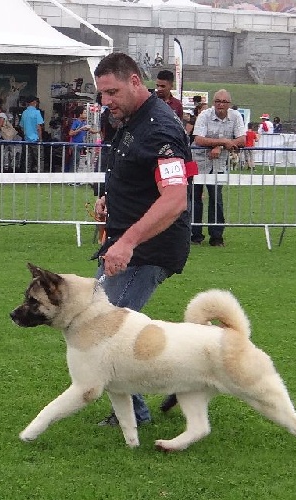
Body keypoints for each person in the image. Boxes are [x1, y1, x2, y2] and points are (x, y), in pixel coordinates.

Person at [91, 52, 194, 426]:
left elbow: (174, 198)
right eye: (102, 94)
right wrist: (110, 200)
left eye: (113, 92)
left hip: (150, 247)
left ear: (136, 81)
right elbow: (135, 175)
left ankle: (133, 413)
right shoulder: (130, 119)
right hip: (127, 240)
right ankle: (187, 375)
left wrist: (128, 241)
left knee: (108, 330)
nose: (107, 102)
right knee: (106, 325)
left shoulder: (161, 129)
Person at [190, 88, 246, 247]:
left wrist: (220, 147)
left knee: (216, 199)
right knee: (195, 199)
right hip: (198, 161)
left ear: (229, 104)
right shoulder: (204, 115)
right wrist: (223, 143)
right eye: (217, 101)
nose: (220, 104)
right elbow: (199, 139)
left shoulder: (235, 117)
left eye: (224, 102)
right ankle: (195, 236)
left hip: (219, 163)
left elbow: (242, 139)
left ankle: (216, 237)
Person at [19, 96, 44, 173]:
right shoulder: (37, 112)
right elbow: (39, 127)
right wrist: (40, 138)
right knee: (39, 159)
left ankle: (27, 176)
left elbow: (22, 127)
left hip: (27, 140)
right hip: (35, 139)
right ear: (33, 102)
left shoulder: (24, 113)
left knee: (27, 159)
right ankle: (40, 176)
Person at [66, 105, 92, 172]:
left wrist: (98, 131)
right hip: (75, 145)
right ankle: (71, 177)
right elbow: (70, 133)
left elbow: (91, 130)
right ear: (80, 114)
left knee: (78, 161)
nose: (86, 115)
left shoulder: (84, 122)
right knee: (75, 161)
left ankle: (75, 177)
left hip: (81, 145)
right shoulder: (76, 122)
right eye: (84, 113)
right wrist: (81, 129)